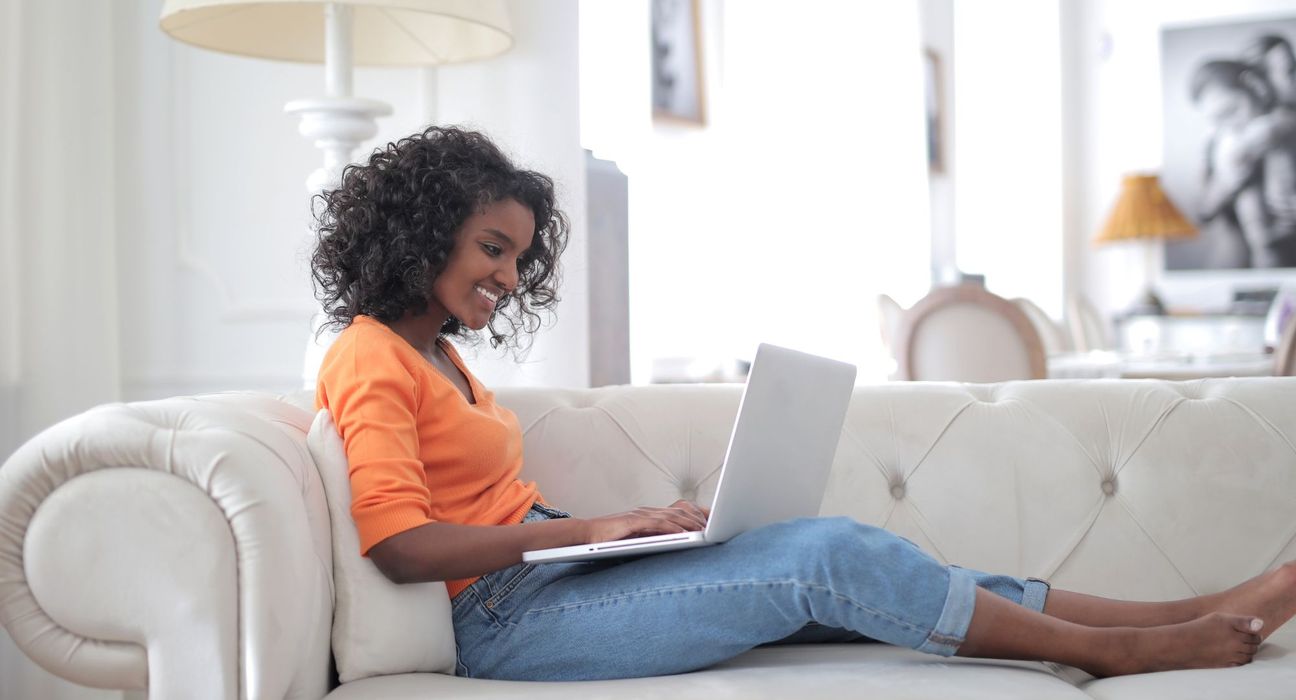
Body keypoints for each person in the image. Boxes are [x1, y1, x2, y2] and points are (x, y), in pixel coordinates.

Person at [311, 125, 1294, 682]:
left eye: (519, 255)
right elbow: (399, 542)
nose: (509, 274)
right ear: (424, 230)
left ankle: (1192, 606)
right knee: (828, 557)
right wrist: (598, 530)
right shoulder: (369, 356)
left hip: (547, 578)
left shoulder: (437, 354)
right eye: (494, 247)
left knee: (858, 553)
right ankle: (1127, 651)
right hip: (503, 623)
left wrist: (606, 539)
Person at [1192, 58, 1296, 267]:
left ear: (1254, 86)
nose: (1229, 125)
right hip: (1244, 259)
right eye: (1217, 119)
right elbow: (1202, 211)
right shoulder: (1218, 143)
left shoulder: (1283, 123)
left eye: (1231, 111)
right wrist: (1227, 183)